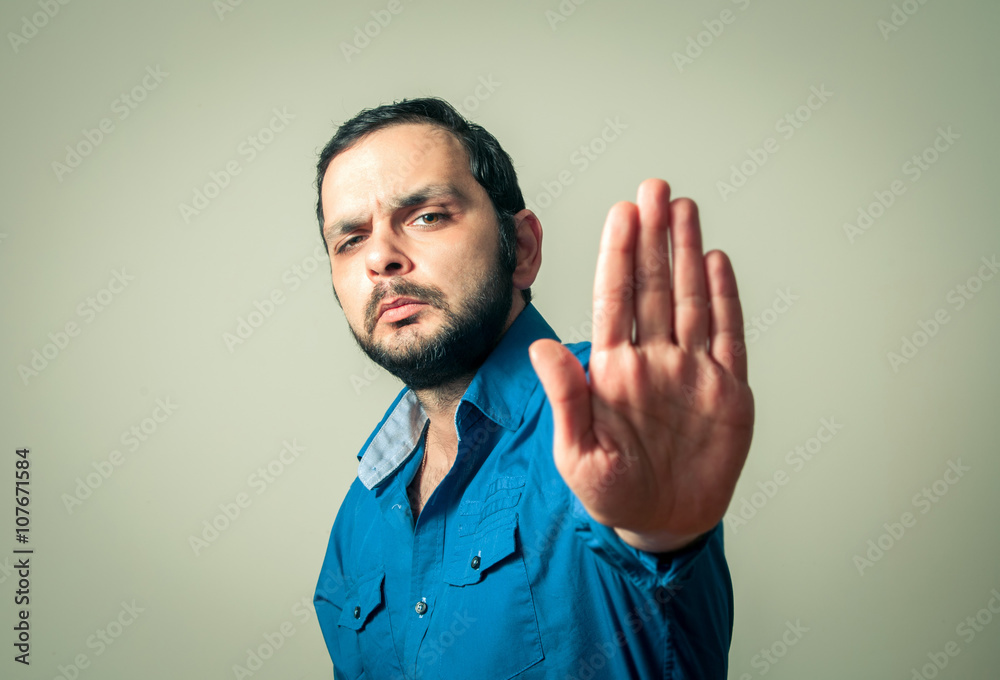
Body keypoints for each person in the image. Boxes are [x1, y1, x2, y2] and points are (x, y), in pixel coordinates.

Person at [311, 97, 755, 679]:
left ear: (521, 248)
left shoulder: (616, 414)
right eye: (349, 240)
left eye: (427, 216)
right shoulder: (356, 524)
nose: (380, 258)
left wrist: (659, 534)